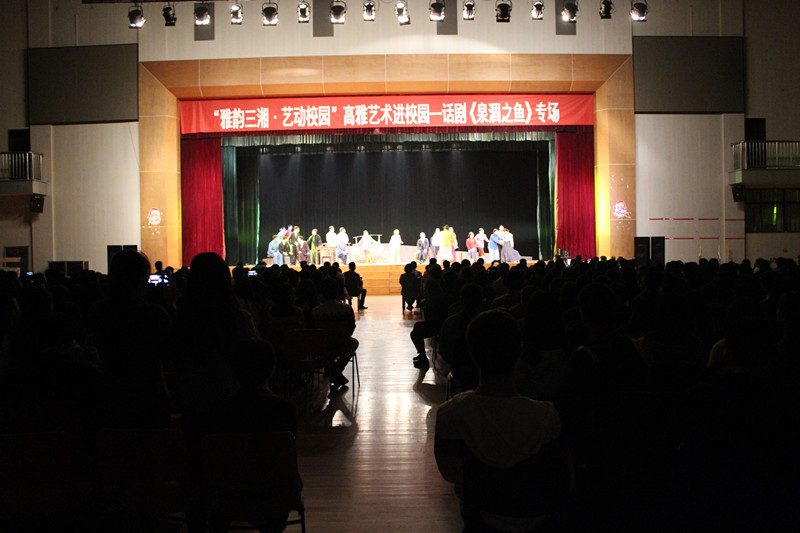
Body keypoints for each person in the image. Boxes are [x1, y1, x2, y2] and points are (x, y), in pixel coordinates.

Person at [434, 310, 562, 532]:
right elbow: (559, 479)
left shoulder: (451, 414)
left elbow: (450, 473)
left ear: (472, 354)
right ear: (519, 351)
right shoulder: (547, 416)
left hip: (478, 517)